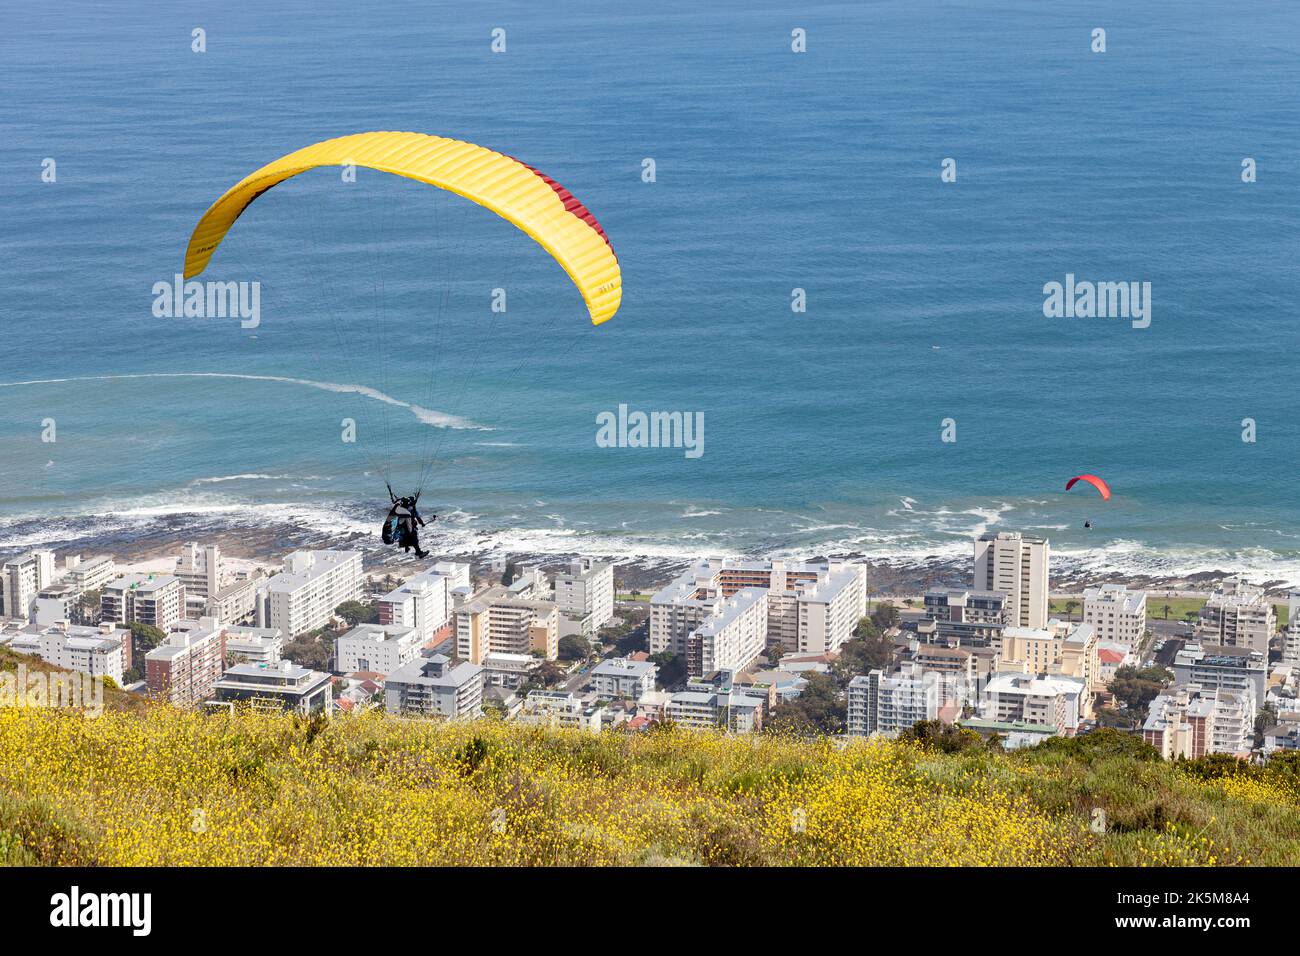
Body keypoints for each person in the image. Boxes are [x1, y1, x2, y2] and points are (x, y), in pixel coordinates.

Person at [384, 488, 433, 559]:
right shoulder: (411, 510)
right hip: (408, 527)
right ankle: (418, 552)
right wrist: (422, 524)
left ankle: (407, 548)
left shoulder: (401, 507)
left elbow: (397, 502)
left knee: (406, 537)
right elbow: (418, 517)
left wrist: (392, 495)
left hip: (402, 527)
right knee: (414, 539)